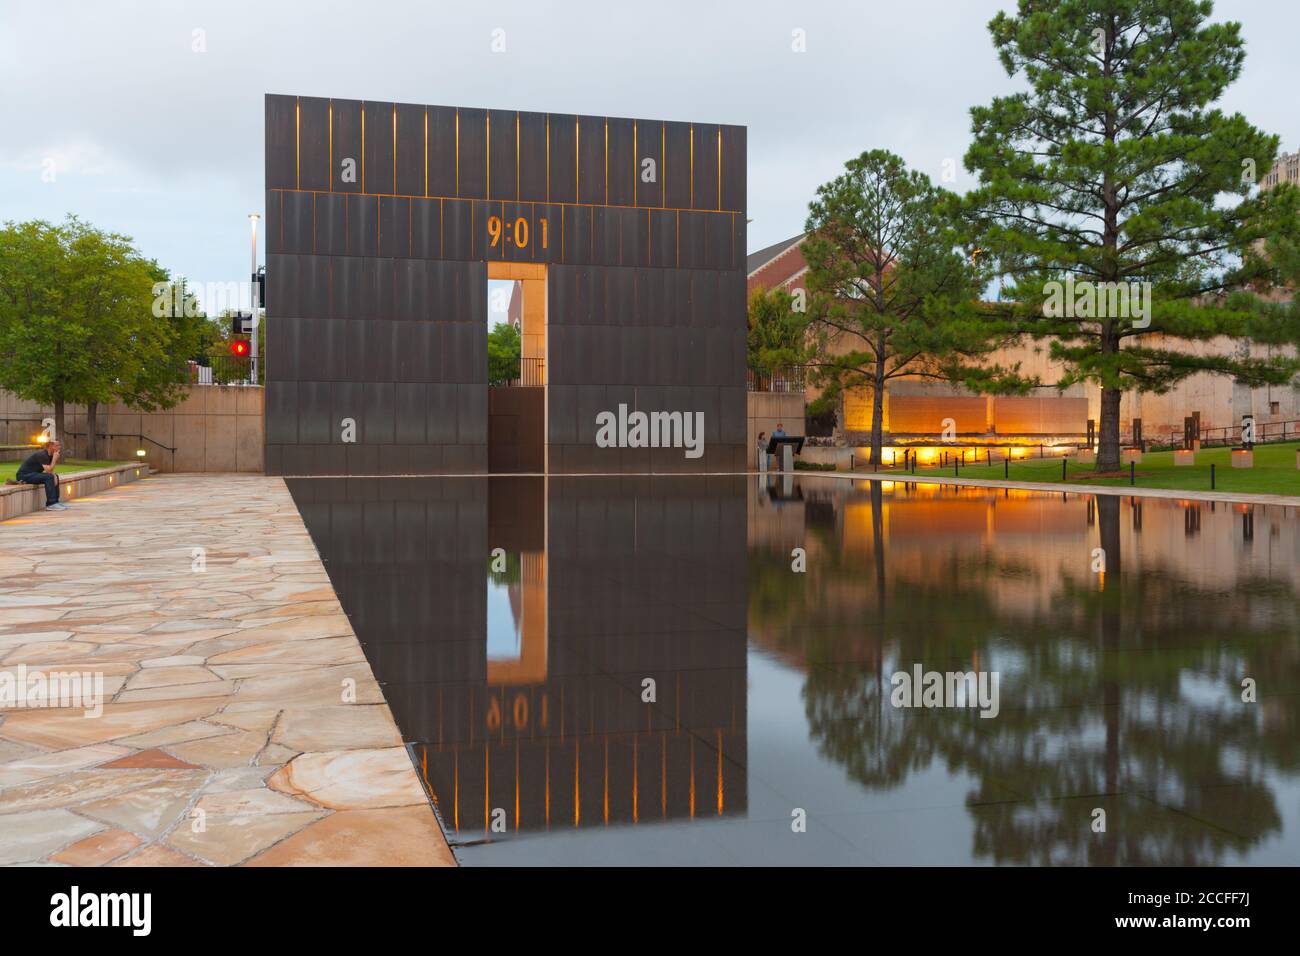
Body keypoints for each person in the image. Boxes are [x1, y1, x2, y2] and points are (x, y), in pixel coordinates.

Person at [16, 440, 67, 511]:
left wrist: (54, 475)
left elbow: (50, 470)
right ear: (50, 446)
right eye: (57, 445)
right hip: (24, 476)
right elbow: (48, 470)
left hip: (33, 474)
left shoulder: (50, 455)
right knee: (49, 477)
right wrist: (54, 459)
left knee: (55, 476)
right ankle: (51, 504)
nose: (59, 447)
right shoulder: (42, 455)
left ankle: (55, 502)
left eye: (59, 445)